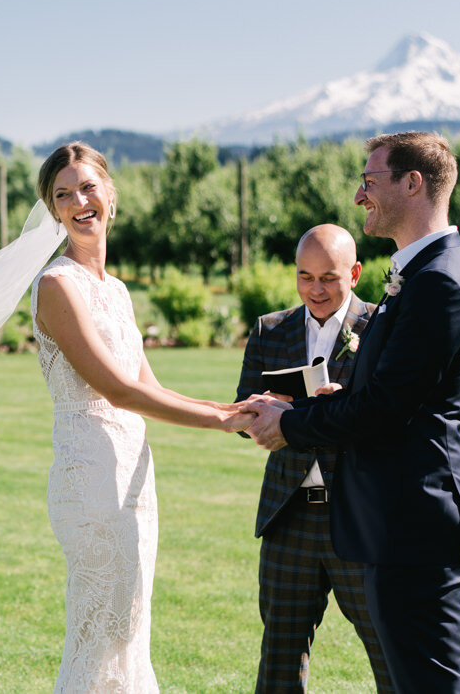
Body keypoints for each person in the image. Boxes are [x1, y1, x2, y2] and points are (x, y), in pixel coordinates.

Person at [31, 142, 287, 693]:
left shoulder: (117, 291)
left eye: (88, 187)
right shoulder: (56, 286)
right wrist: (223, 423)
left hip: (134, 471)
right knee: (99, 632)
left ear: (111, 195)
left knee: (130, 629)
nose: (79, 201)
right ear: (53, 211)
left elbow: (150, 386)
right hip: (91, 474)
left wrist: (234, 410)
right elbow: (118, 389)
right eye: (63, 194)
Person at [246, 132, 460, 693]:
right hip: (398, 516)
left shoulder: (438, 283)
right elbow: (388, 394)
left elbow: (384, 409)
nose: (360, 196)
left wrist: (292, 423)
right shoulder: (425, 272)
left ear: (412, 183)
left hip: (413, 519)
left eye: (370, 181)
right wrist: (338, 401)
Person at [236, 224, 392, 692]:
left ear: (356, 273)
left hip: (359, 516)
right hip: (289, 517)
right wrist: (264, 412)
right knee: (279, 658)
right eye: (305, 277)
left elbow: (391, 413)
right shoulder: (270, 329)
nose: (316, 289)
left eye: (329, 278)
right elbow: (244, 412)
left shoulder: (382, 326)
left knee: (389, 650)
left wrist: (344, 404)